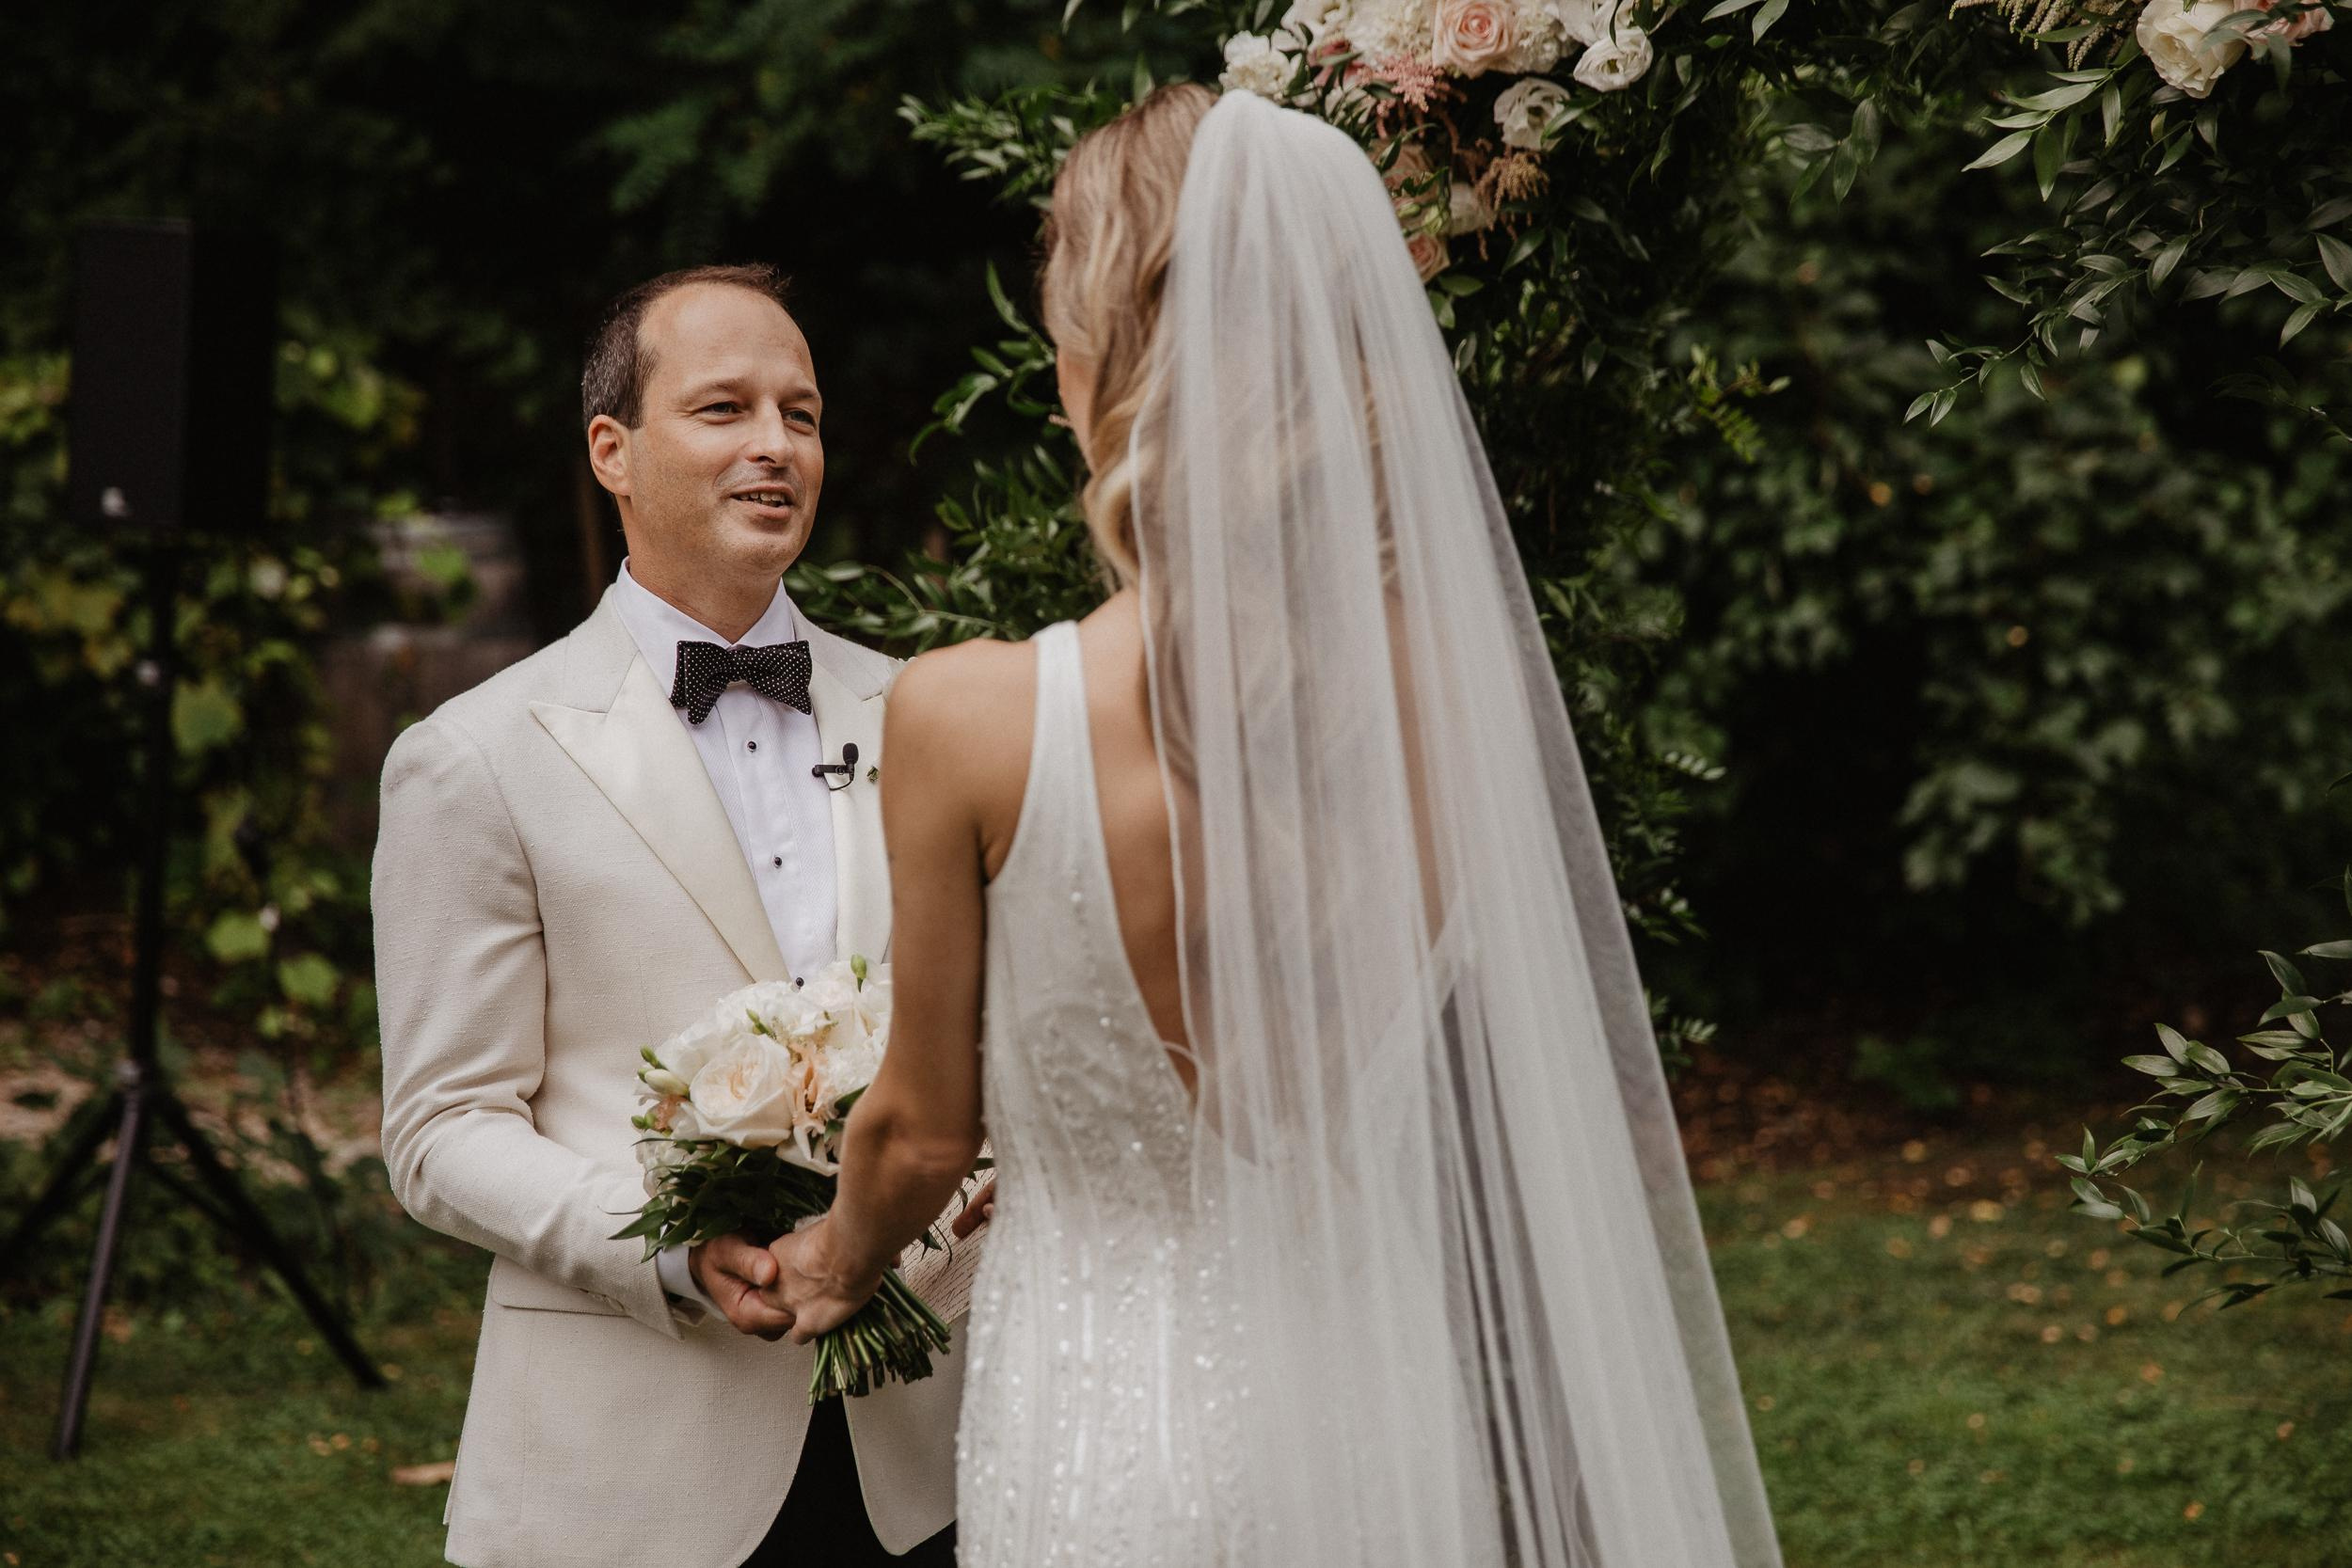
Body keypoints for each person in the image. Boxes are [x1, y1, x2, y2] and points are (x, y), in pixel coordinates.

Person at [765, 86, 1787, 1568]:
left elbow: (921, 1133)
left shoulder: (971, 714)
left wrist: (838, 1259)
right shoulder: (1459, 685)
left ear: (1089, 363)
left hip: (1109, 1440)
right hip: (1385, 1427)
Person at [373, 264, 965, 1568]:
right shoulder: (474, 756)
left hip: (916, 1459)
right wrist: (670, 1255)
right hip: (625, 1465)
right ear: (613, 450)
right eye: (725, 408)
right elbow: (440, 1129)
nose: (775, 445)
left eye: (801, 415)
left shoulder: (927, 715)